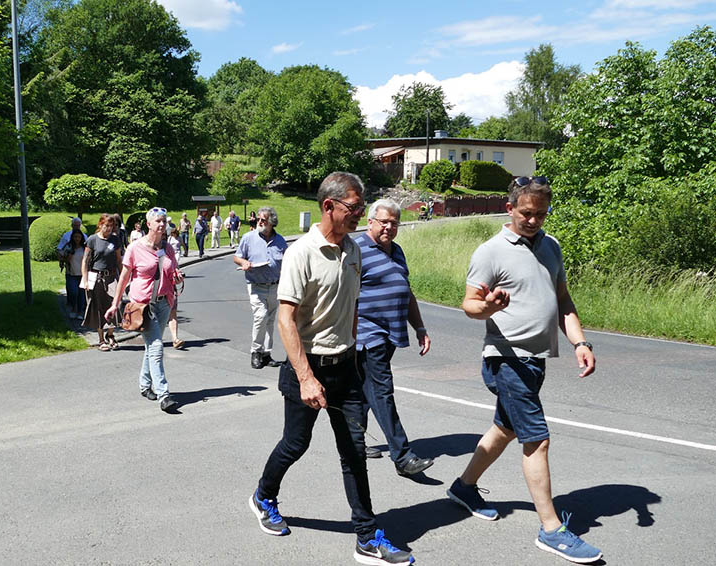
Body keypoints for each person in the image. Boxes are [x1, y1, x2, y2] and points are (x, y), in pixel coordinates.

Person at [249, 172, 414, 566]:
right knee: (296, 443)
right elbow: (285, 319)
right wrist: (306, 377)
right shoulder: (301, 252)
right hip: (306, 368)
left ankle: (366, 535)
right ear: (329, 206)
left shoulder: (354, 250)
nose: (360, 214)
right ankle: (263, 496)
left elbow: (352, 306)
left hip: (345, 366)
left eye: (361, 207)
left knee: (354, 451)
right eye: (354, 207)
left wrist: (353, 352)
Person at [446, 176, 602, 564]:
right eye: (527, 213)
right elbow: (469, 304)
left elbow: (563, 300)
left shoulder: (551, 246)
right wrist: (491, 307)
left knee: (506, 427)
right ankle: (551, 529)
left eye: (541, 214)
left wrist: (580, 343)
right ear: (510, 208)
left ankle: (465, 487)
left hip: (535, 360)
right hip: (505, 358)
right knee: (537, 438)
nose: (533, 220)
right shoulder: (490, 251)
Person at [354, 199, 434, 477]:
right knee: (381, 390)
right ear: (370, 221)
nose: (389, 227)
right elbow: (342, 293)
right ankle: (402, 456)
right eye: (384, 221)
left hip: (390, 334)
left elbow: (406, 291)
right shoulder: (356, 250)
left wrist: (420, 327)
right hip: (366, 333)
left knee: (366, 391)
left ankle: (355, 441)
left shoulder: (397, 251)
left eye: (394, 223)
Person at [106, 207, 182, 413]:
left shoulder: (168, 248)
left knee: (151, 347)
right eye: (158, 221)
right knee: (157, 346)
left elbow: (172, 270)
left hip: (164, 302)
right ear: (149, 224)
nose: (162, 225)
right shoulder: (135, 248)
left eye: (164, 221)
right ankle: (164, 395)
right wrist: (115, 303)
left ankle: (144, 385)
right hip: (144, 305)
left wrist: (177, 277)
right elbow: (124, 277)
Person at [233, 206, 287, 369]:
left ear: (271, 222)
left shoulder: (280, 241)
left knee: (270, 320)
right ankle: (256, 351)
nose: (259, 222)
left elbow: (287, 262)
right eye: (258, 219)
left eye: (263, 219)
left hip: (275, 286)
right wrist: (244, 263)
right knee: (261, 316)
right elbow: (237, 257)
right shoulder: (249, 238)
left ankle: (266, 354)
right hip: (256, 285)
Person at [81, 214, 123, 351]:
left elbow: (118, 260)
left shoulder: (115, 240)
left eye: (111, 226)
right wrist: (85, 280)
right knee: (98, 307)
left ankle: (110, 334)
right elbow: (85, 261)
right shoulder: (92, 240)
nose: (109, 229)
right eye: (106, 226)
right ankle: (101, 339)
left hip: (111, 277)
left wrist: (124, 277)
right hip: (96, 277)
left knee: (116, 304)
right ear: (100, 225)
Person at [64, 229, 87, 320]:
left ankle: (80, 311)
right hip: (71, 273)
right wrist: (67, 257)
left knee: (81, 294)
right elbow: (63, 259)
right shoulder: (69, 247)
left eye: (78, 237)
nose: (77, 239)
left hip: (82, 274)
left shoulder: (84, 248)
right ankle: (74, 308)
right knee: (73, 292)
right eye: (75, 237)